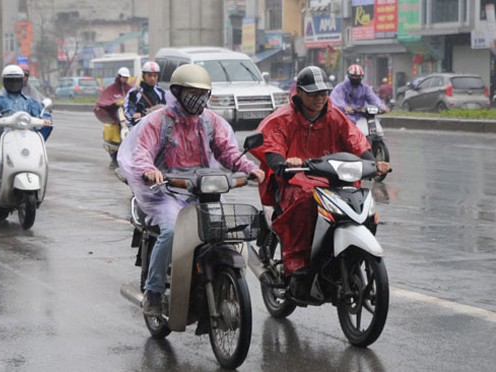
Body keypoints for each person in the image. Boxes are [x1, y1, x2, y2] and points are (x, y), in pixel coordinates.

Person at [117, 64, 265, 316]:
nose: (197, 100)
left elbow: (228, 151)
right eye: (191, 93)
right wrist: (149, 170)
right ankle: (153, 292)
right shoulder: (158, 121)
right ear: (176, 92)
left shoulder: (211, 122)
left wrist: (248, 168)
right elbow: (142, 151)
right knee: (172, 231)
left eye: (202, 94)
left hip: (202, 190)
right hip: (166, 191)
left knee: (227, 231)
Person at [250, 66, 390, 298]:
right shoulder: (283, 118)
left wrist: (373, 163)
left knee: (360, 200)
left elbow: (354, 139)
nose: (319, 98)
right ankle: (296, 264)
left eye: (323, 93)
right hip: (292, 181)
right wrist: (283, 163)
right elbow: (270, 144)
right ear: (299, 93)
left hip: (329, 177)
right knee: (305, 202)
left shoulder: (335, 116)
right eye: (313, 93)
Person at [0, 65, 53, 191]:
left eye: (16, 80)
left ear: (22, 81)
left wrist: (45, 118)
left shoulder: (29, 101)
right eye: (10, 80)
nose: (13, 84)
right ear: (4, 82)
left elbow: (42, 112)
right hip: (3, 137)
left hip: (25, 138)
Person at [123, 61, 166, 128]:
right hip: (138, 128)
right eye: (149, 75)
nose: (152, 78)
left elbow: (167, 108)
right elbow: (128, 110)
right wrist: (134, 114)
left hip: (157, 128)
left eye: (155, 75)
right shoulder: (134, 92)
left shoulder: (160, 92)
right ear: (143, 75)